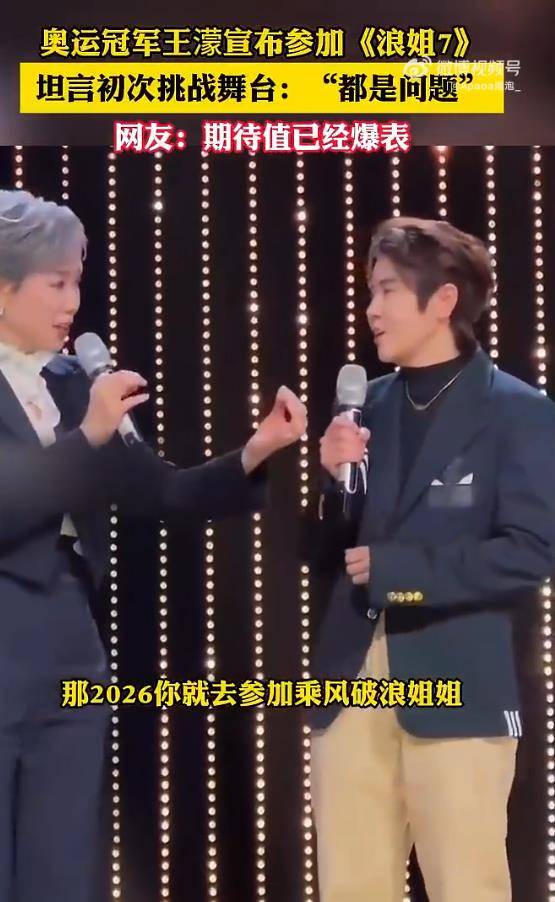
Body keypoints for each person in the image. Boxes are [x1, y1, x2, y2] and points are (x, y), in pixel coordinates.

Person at [0, 188, 307, 902]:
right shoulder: (88, 411)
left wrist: (255, 450)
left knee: (61, 868)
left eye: (77, 282)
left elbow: (160, 493)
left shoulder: (72, 384)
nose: (73, 302)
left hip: (69, 642)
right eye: (55, 283)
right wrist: (90, 435)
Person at [308, 215, 555, 902]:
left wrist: (403, 575)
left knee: (466, 885)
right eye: (370, 291)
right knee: (350, 886)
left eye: (387, 290)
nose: (371, 309)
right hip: (349, 681)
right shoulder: (366, 407)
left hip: (458, 684)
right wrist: (333, 484)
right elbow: (331, 550)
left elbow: (530, 552)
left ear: (443, 299)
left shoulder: (517, 411)